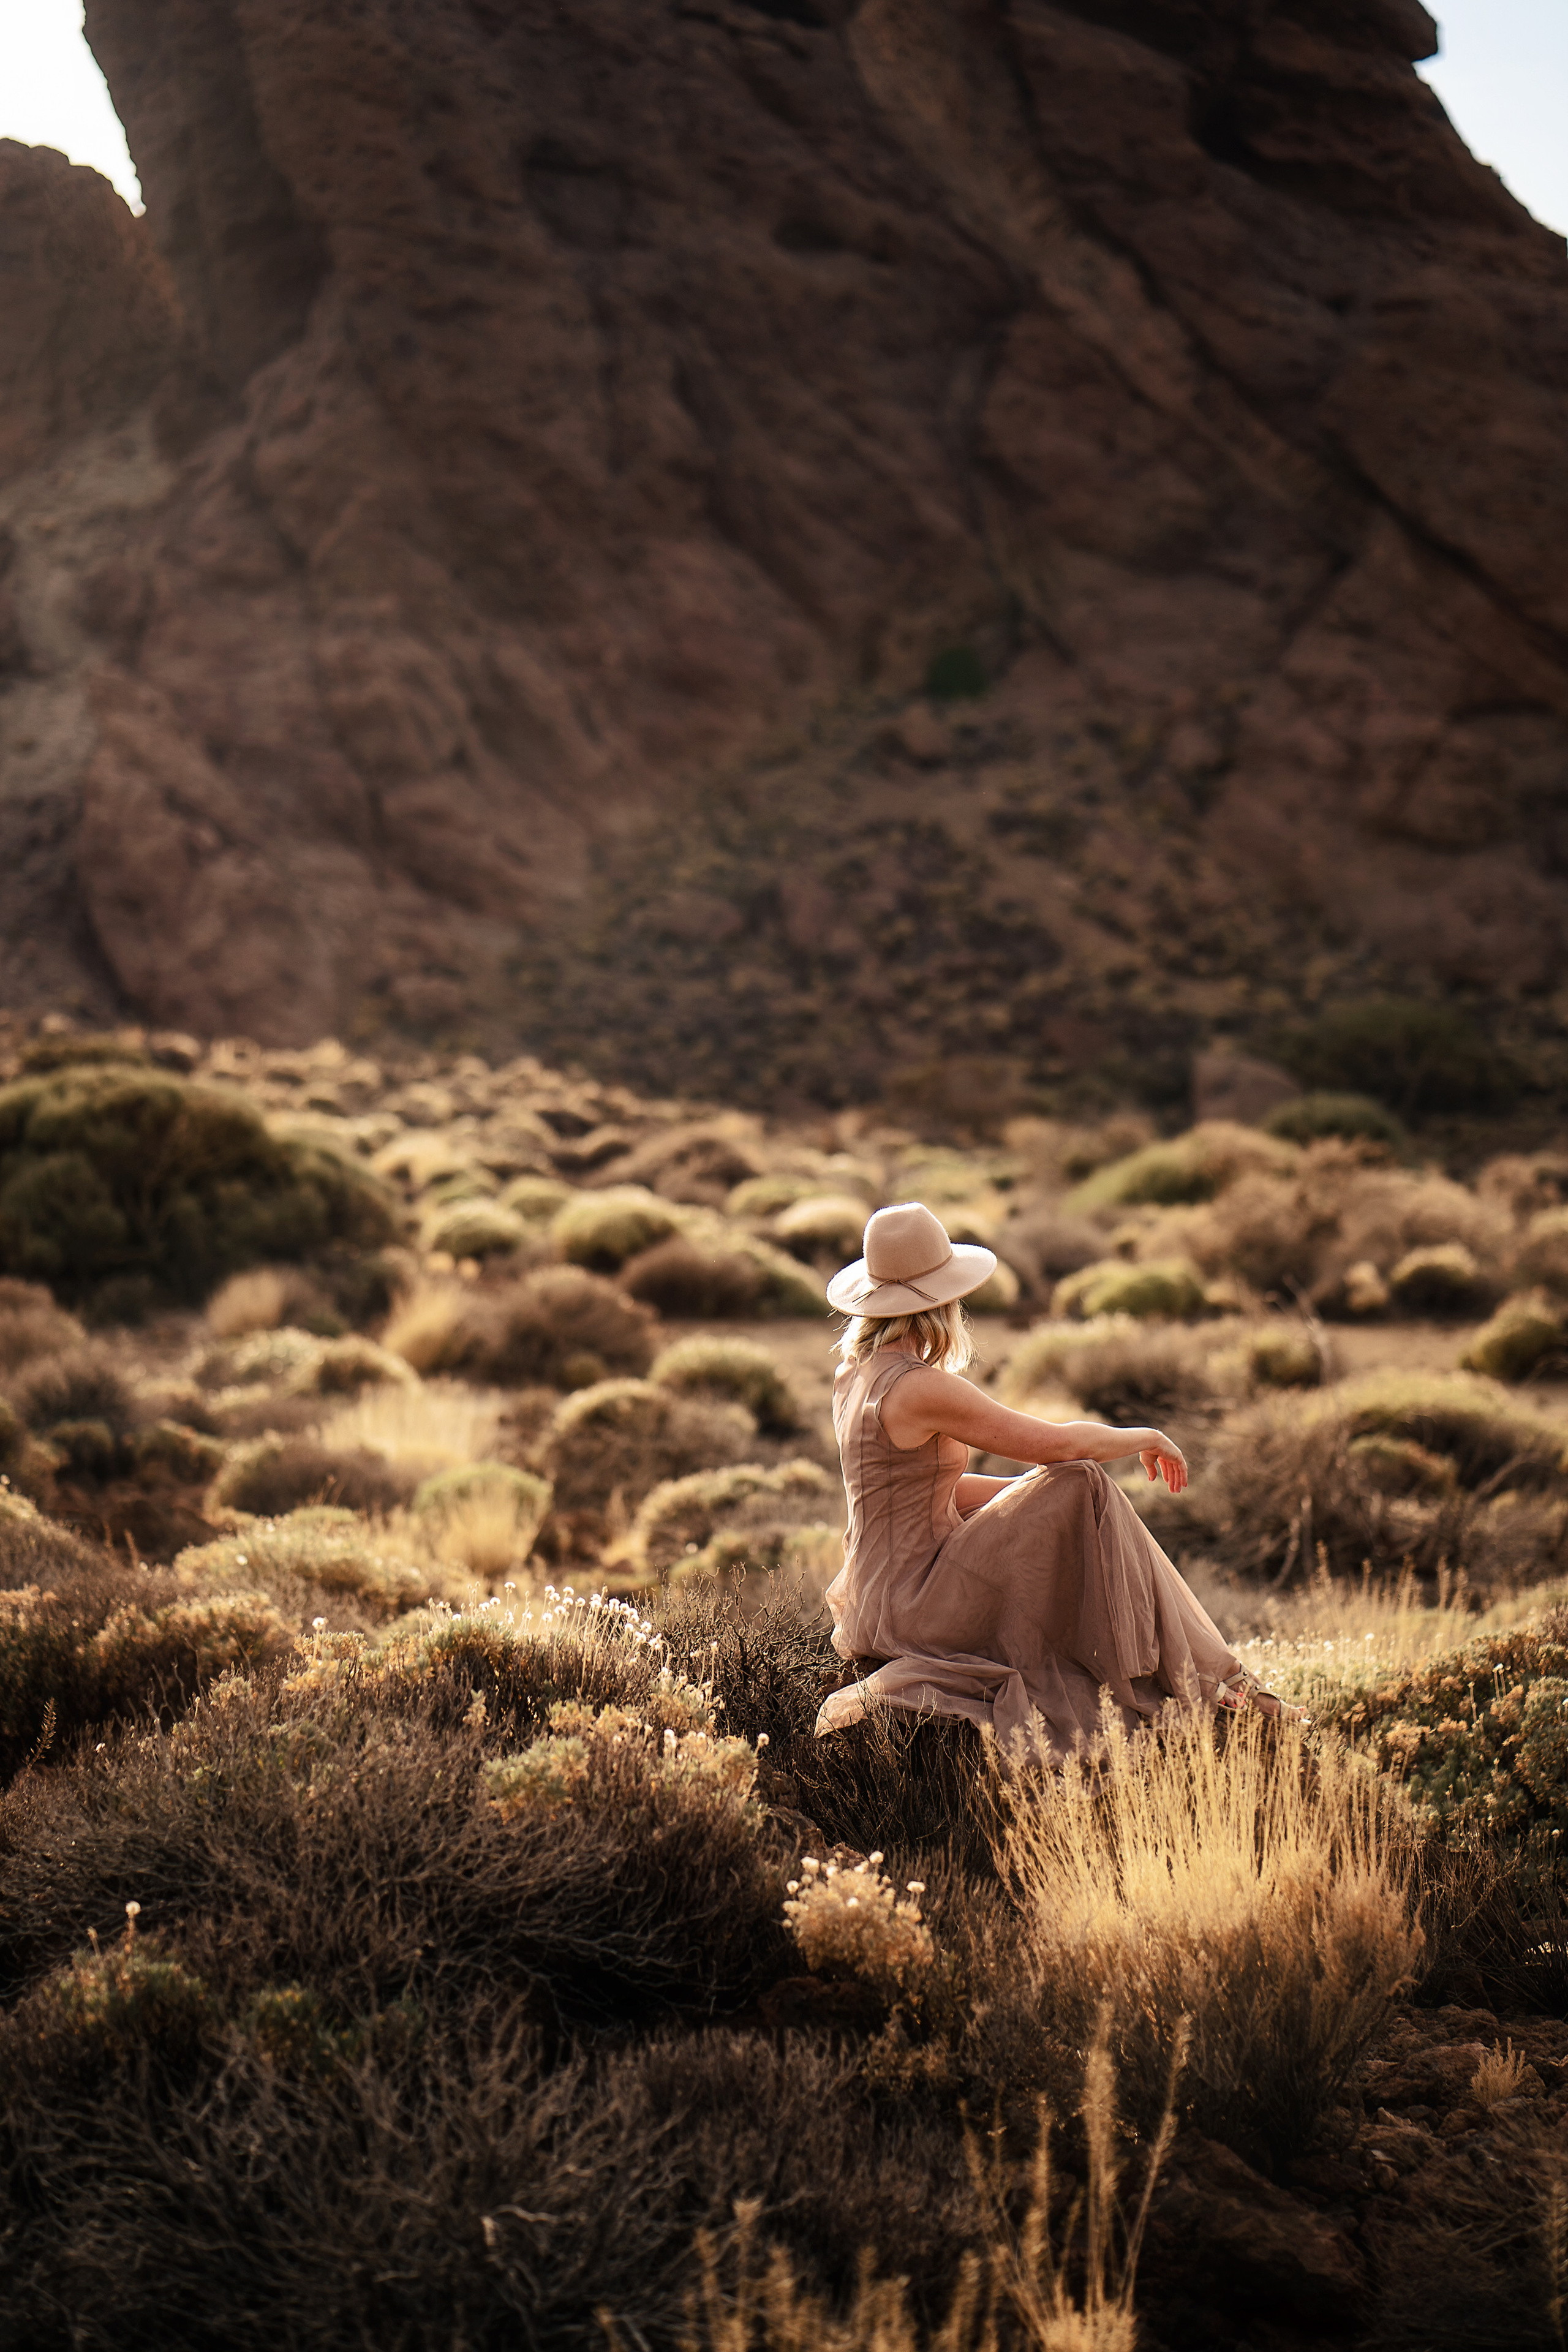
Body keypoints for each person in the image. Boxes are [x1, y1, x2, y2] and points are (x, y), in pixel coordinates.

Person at [818, 1200, 1295, 1762]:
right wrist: (1143, 1436)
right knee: (1085, 1480)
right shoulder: (921, 1388)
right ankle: (1220, 1682)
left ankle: (1214, 1677)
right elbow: (1060, 1444)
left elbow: (917, 1493)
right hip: (918, 1602)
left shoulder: (853, 1375)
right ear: (940, 1304)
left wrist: (1031, 1497)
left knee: (1067, 1488)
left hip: (878, 1594)